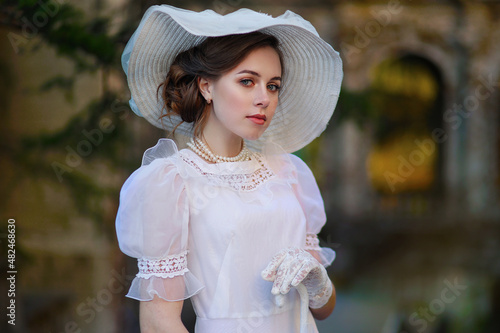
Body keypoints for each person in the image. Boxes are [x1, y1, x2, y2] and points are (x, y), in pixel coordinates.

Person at [116, 5, 343, 333]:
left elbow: (324, 309)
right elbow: (158, 321)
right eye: (248, 81)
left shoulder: (290, 173)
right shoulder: (170, 183)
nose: (264, 98)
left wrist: (316, 280)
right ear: (207, 86)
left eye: (273, 85)